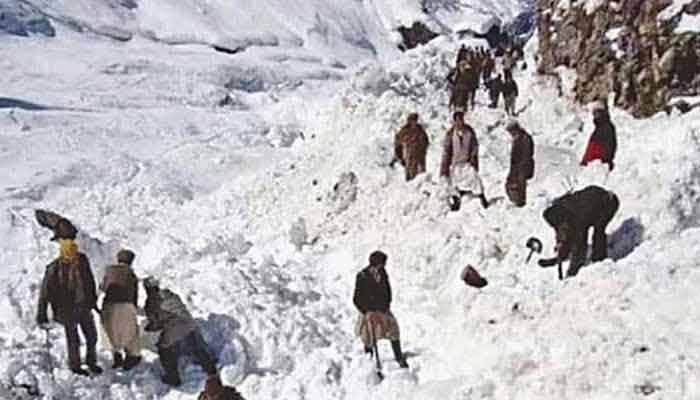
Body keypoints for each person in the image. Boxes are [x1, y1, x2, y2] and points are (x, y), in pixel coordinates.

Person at [36, 219, 103, 376]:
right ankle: (75, 366)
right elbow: (45, 292)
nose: (69, 248)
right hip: (66, 309)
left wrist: (93, 301)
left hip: (83, 306)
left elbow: (89, 281)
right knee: (74, 340)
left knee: (91, 337)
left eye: (71, 245)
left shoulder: (82, 261)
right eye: (65, 244)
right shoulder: (54, 267)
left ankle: (91, 361)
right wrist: (42, 313)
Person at [144, 277, 217, 386]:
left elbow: (155, 323)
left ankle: (173, 377)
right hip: (189, 323)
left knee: (163, 348)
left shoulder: (150, 302)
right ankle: (210, 367)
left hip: (175, 328)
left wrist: (150, 327)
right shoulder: (169, 293)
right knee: (195, 345)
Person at [538, 186, 620, 277]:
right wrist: (562, 247)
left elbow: (580, 246)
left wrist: (572, 272)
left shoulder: (578, 217)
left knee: (598, 232)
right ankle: (570, 255)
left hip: (609, 204)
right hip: (593, 200)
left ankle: (599, 261)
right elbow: (563, 231)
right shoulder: (561, 210)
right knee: (573, 231)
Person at [353, 251, 408, 369]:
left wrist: (385, 306)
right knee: (367, 334)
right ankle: (369, 360)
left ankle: (399, 356)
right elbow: (357, 298)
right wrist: (367, 311)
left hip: (382, 308)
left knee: (393, 329)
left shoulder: (383, 273)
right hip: (367, 310)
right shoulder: (362, 276)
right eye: (382, 264)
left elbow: (387, 291)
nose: (383, 266)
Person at [100, 249, 141, 370]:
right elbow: (134, 293)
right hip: (126, 305)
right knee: (130, 332)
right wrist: (134, 308)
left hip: (109, 304)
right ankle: (132, 357)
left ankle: (116, 356)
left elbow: (103, 287)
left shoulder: (109, 271)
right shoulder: (131, 273)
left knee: (111, 330)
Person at [440, 112, 489, 209]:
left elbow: (474, 146)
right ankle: (456, 200)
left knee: (474, 179)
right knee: (453, 183)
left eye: (461, 120)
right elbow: (446, 150)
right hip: (455, 164)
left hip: (467, 162)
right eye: (457, 121)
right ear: (454, 121)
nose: (459, 123)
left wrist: (473, 158)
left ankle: (482, 198)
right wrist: (444, 167)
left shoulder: (469, 132)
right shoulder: (450, 134)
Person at [505, 120, 534, 207]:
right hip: (516, 165)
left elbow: (527, 153)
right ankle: (515, 199)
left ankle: (520, 201)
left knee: (520, 183)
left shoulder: (525, 138)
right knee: (511, 182)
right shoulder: (517, 138)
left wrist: (521, 165)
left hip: (524, 165)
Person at [393, 113, 430, 181]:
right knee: (410, 175)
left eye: (415, 120)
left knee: (421, 176)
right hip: (409, 156)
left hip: (420, 157)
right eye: (413, 120)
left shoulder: (420, 130)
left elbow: (426, 141)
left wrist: (423, 150)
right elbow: (397, 144)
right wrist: (400, 157)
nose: (414, 122)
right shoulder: (404, 131)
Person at [581, 102, 617, 170]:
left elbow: (608, 148)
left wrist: (604, 162)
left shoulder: (607, 127)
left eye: (598, 113)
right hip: (591, 166)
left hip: (598, 166)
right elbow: (590, 149)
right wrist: (584, 162)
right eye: (594, 113)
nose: (596, 115)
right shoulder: (598, 129)